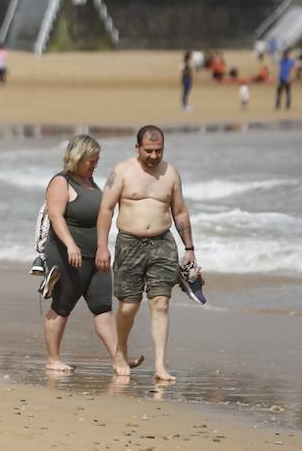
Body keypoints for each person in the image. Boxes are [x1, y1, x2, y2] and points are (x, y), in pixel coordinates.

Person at [96, 125, 197, 382]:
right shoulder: (122, 171)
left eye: (159, 150)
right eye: (149, 150)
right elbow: (106, 209)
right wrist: (101, 247)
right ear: (137, 148)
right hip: (129, 244)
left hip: (163, 244)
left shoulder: (170, 174)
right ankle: (120, 351)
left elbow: (180, 212)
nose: (154, 156)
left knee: (160, 303)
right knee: (129, 306)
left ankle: (160, 365)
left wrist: (190, 249)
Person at [42, 135, 144, 373]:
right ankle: (53, 359)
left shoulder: (91, 183)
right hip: (68, 255)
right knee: (62, 306)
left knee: (103, 309)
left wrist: (103, 247)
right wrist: (70, 245)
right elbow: (55, 216)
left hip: (96, 257)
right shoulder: (61, 181)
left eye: (97, 159)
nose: (95, 164)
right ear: (77, 158)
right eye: (91, 160)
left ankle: (119, 359)